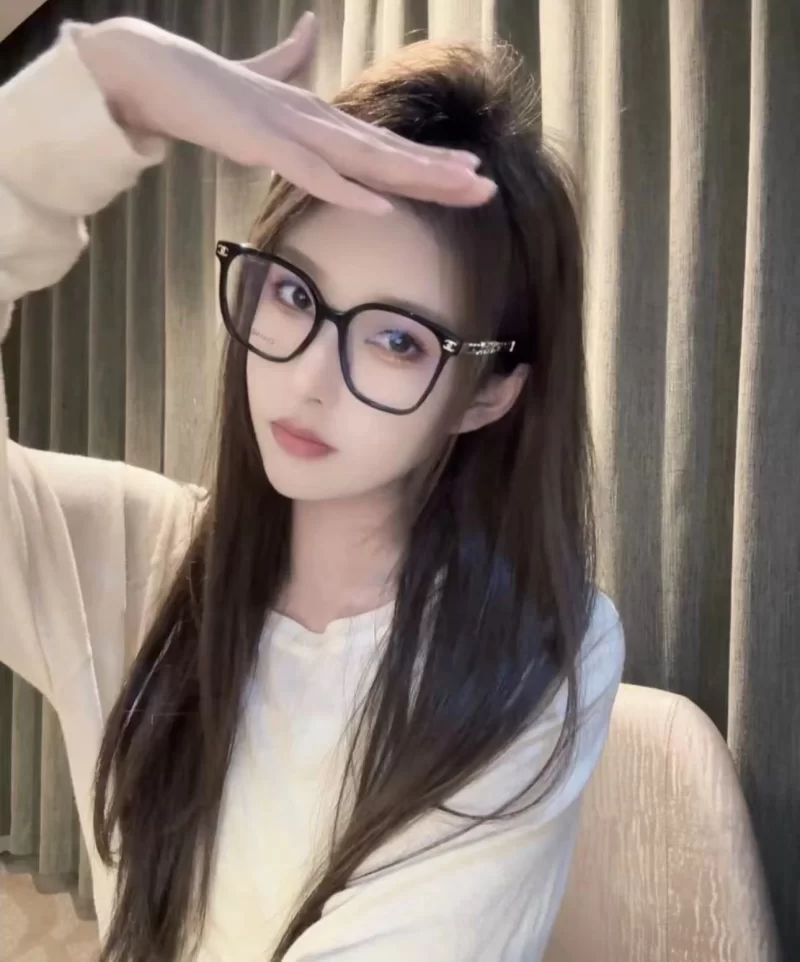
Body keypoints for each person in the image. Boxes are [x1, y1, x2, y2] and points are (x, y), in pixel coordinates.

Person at [0, 11, 625, 962]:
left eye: (397, 339)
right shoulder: (134, 555)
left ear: (489, 394)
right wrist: (101, 89)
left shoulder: (539, 645)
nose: (307, 376)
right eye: (294, 292)